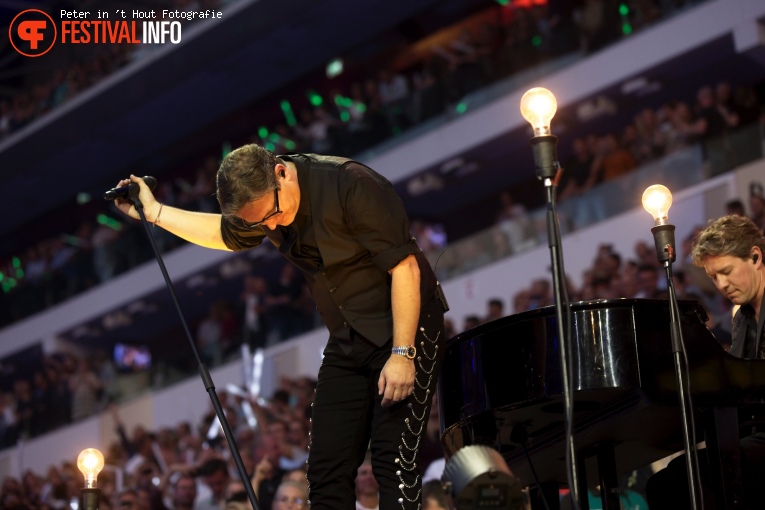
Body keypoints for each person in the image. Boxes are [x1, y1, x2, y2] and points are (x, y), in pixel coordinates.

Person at [113, 144, 448, 510]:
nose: (271, 226)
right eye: (259, 223)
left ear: (281, 173)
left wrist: (402, 353)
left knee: (393, 461)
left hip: (407, 326)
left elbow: (405, 268)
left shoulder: (351, 184)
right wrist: (156, 212)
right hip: (348, 337)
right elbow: (224, 234)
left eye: (272, 213)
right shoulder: (264, 207)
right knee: (324, 470)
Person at [646, 214, 765, 509]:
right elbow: (734, 380)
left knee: (683, 481)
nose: (722, 284)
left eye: (726, 271)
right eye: (714, 276)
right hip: (753, 430)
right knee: (666, 480)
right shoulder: (742, 315)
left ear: (755, 256)